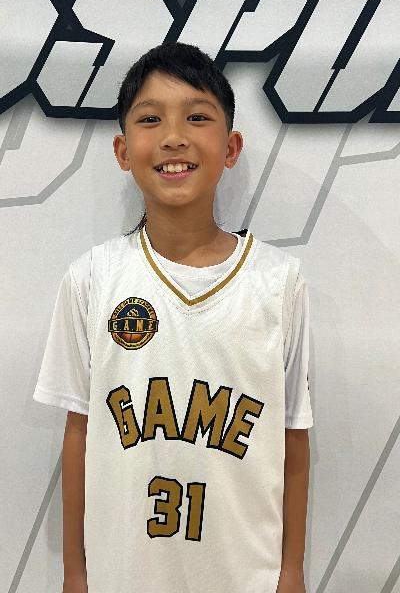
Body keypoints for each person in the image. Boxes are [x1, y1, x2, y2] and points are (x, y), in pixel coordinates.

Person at [34, 42, 313, 593]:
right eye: (150, 118)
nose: (174, 136)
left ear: (231, 147)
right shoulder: (92, 279)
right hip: (124, 575)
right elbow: (79, 435)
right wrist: (75, 573)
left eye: (198, 117)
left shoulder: (280, 282)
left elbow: (293, 437)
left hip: (244, 575)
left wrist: (291, 572)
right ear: (122, 150)